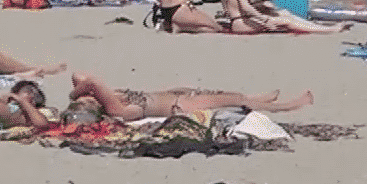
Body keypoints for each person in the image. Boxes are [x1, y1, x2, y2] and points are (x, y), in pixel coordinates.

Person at [66, 71, 312, 121]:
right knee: (235, 101)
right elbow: (91, 80)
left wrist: (76, 94)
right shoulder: (114, 108)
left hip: (171, 95)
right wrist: (75, 94)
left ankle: (258, 97)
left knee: (228, 94)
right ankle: (287, 106)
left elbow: (80, 76)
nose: (85, 97)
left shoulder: (105, 100)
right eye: (85, 100)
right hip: (179, 106)